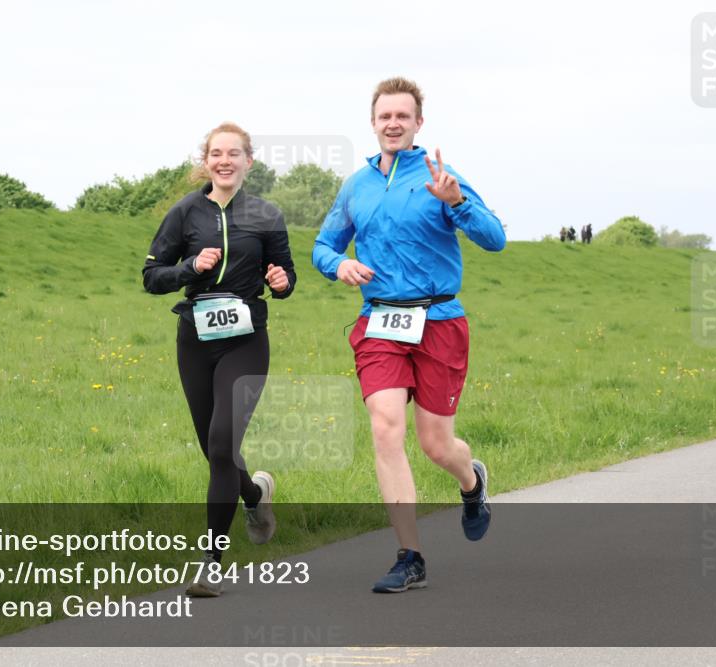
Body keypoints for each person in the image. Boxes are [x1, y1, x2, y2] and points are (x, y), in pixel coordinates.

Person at [312, 77, 505, 593]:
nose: (392, 124)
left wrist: (458, 201)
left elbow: (495, 239)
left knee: (437, 444)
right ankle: (410, 555)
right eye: (384, 117)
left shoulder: (442, 176)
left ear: (419, 122)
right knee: (385, 428)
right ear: (372, 124)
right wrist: (339, 266)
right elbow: (323, 246)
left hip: (439, 321)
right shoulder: (356, 186)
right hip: (380, 322)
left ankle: (472, 481)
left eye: (403, 116)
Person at [143, 122, 296, 597]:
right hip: (196, 338)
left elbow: (287, 274)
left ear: (249, 160)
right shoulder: (184, 213)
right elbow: (152, 276)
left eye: (234, 153)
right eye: (216, 154)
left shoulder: (266, 215)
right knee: (216, 451)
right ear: (205, 162)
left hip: (246, 339)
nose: (224, 160)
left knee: (224, 440)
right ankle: (254, 495)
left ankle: (211, 560)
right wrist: (192, 268)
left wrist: (281, 282)